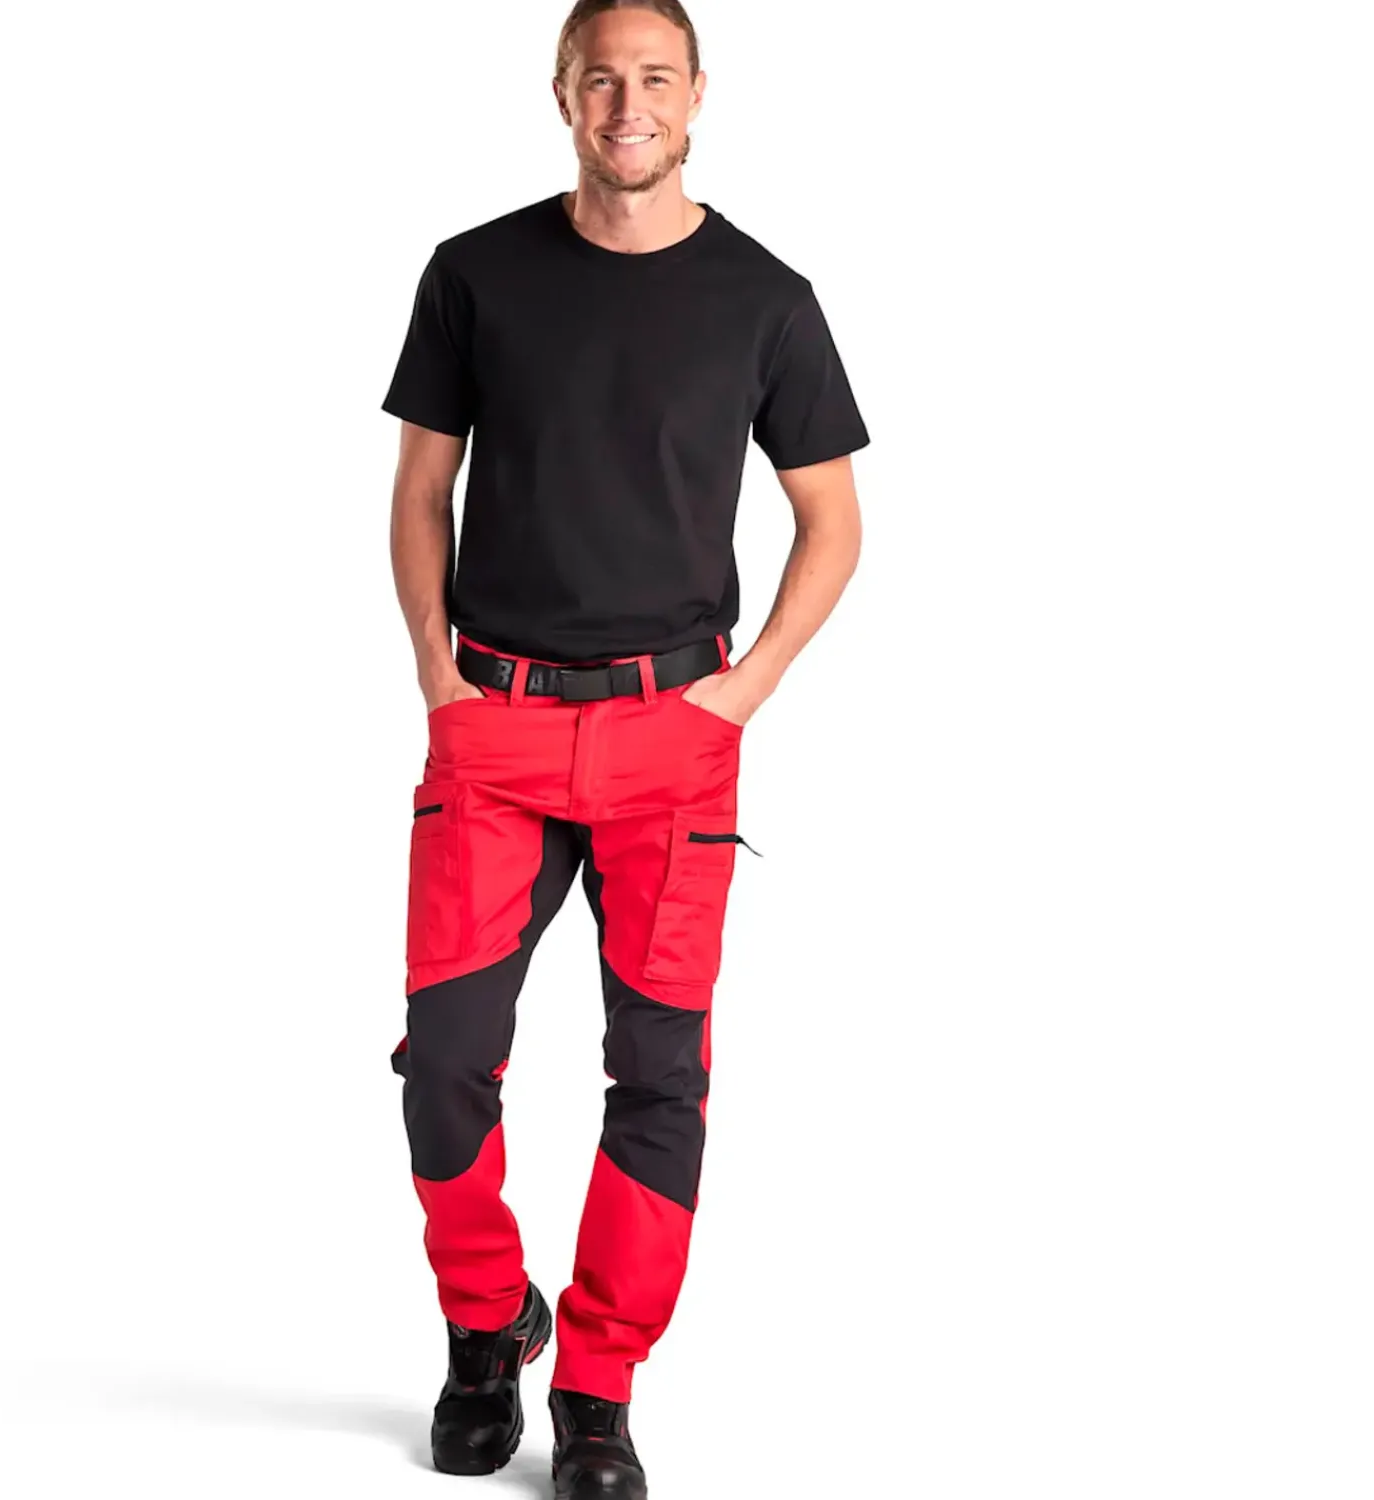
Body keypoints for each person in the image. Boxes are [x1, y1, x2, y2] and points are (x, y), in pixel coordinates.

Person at [380, 2, 867, 1495]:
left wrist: (742, 693)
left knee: (659, 1074)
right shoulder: (475, 273)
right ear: (562, 94)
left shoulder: (767, 298)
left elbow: (833, 524)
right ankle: (487, 1325)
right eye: (602, 78)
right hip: (497, 726)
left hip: (676, 738)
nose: (628, 102)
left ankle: (597, 1386)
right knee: (444, 1061)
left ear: (698, 95)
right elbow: (420, 494)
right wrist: (439, 680)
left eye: (656, 77)